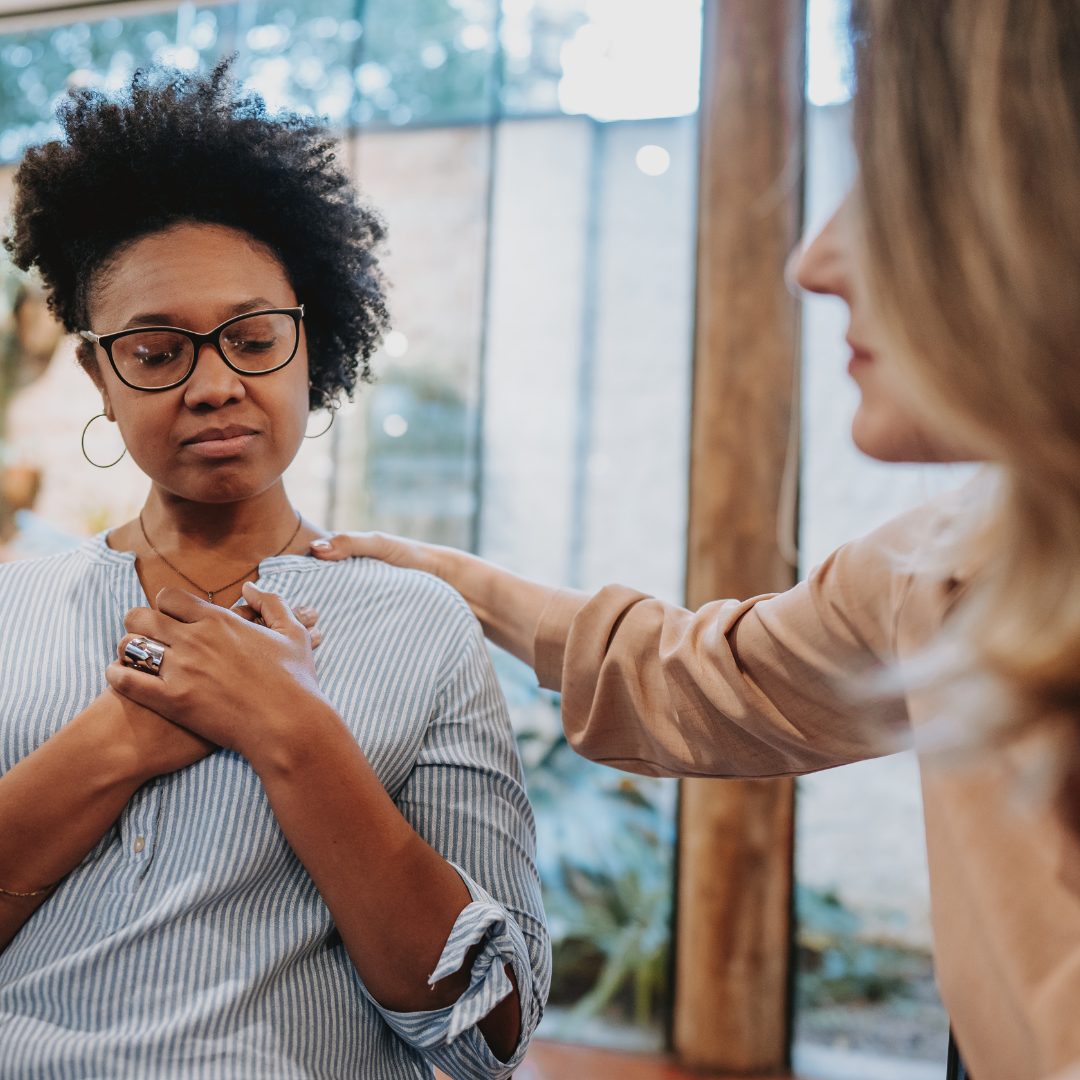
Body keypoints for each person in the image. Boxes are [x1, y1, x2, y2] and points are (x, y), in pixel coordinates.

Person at [307, 2, 1080, 1078]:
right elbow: (690, 676)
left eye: (896, 185)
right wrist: (441, 578)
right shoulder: (935, 571)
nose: (812, 260)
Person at [0, 63, 549, 1079]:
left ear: (312, 345)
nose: (214, 385)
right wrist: (121, 738)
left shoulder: (418, 624)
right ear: (98, 374)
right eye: (158, 353)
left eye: (253, 341)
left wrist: (290, 728)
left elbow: (493, 1023)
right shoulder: (11, 609)